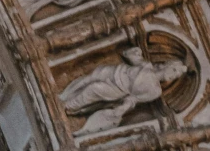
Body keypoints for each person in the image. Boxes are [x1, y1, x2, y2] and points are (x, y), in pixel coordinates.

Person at [60, 47, 190, 136]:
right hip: (115, 71)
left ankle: (67, 106)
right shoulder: (146, 65)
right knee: (87, 79)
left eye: (176, 75)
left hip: (119, 89)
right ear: (167, 64)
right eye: (174, 70)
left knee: (92, 89)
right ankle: (63, 96)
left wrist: (123, 108)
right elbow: (128, 54)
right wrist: (135, 52)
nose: (173, 75)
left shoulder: (155, 91)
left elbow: (134, 99)